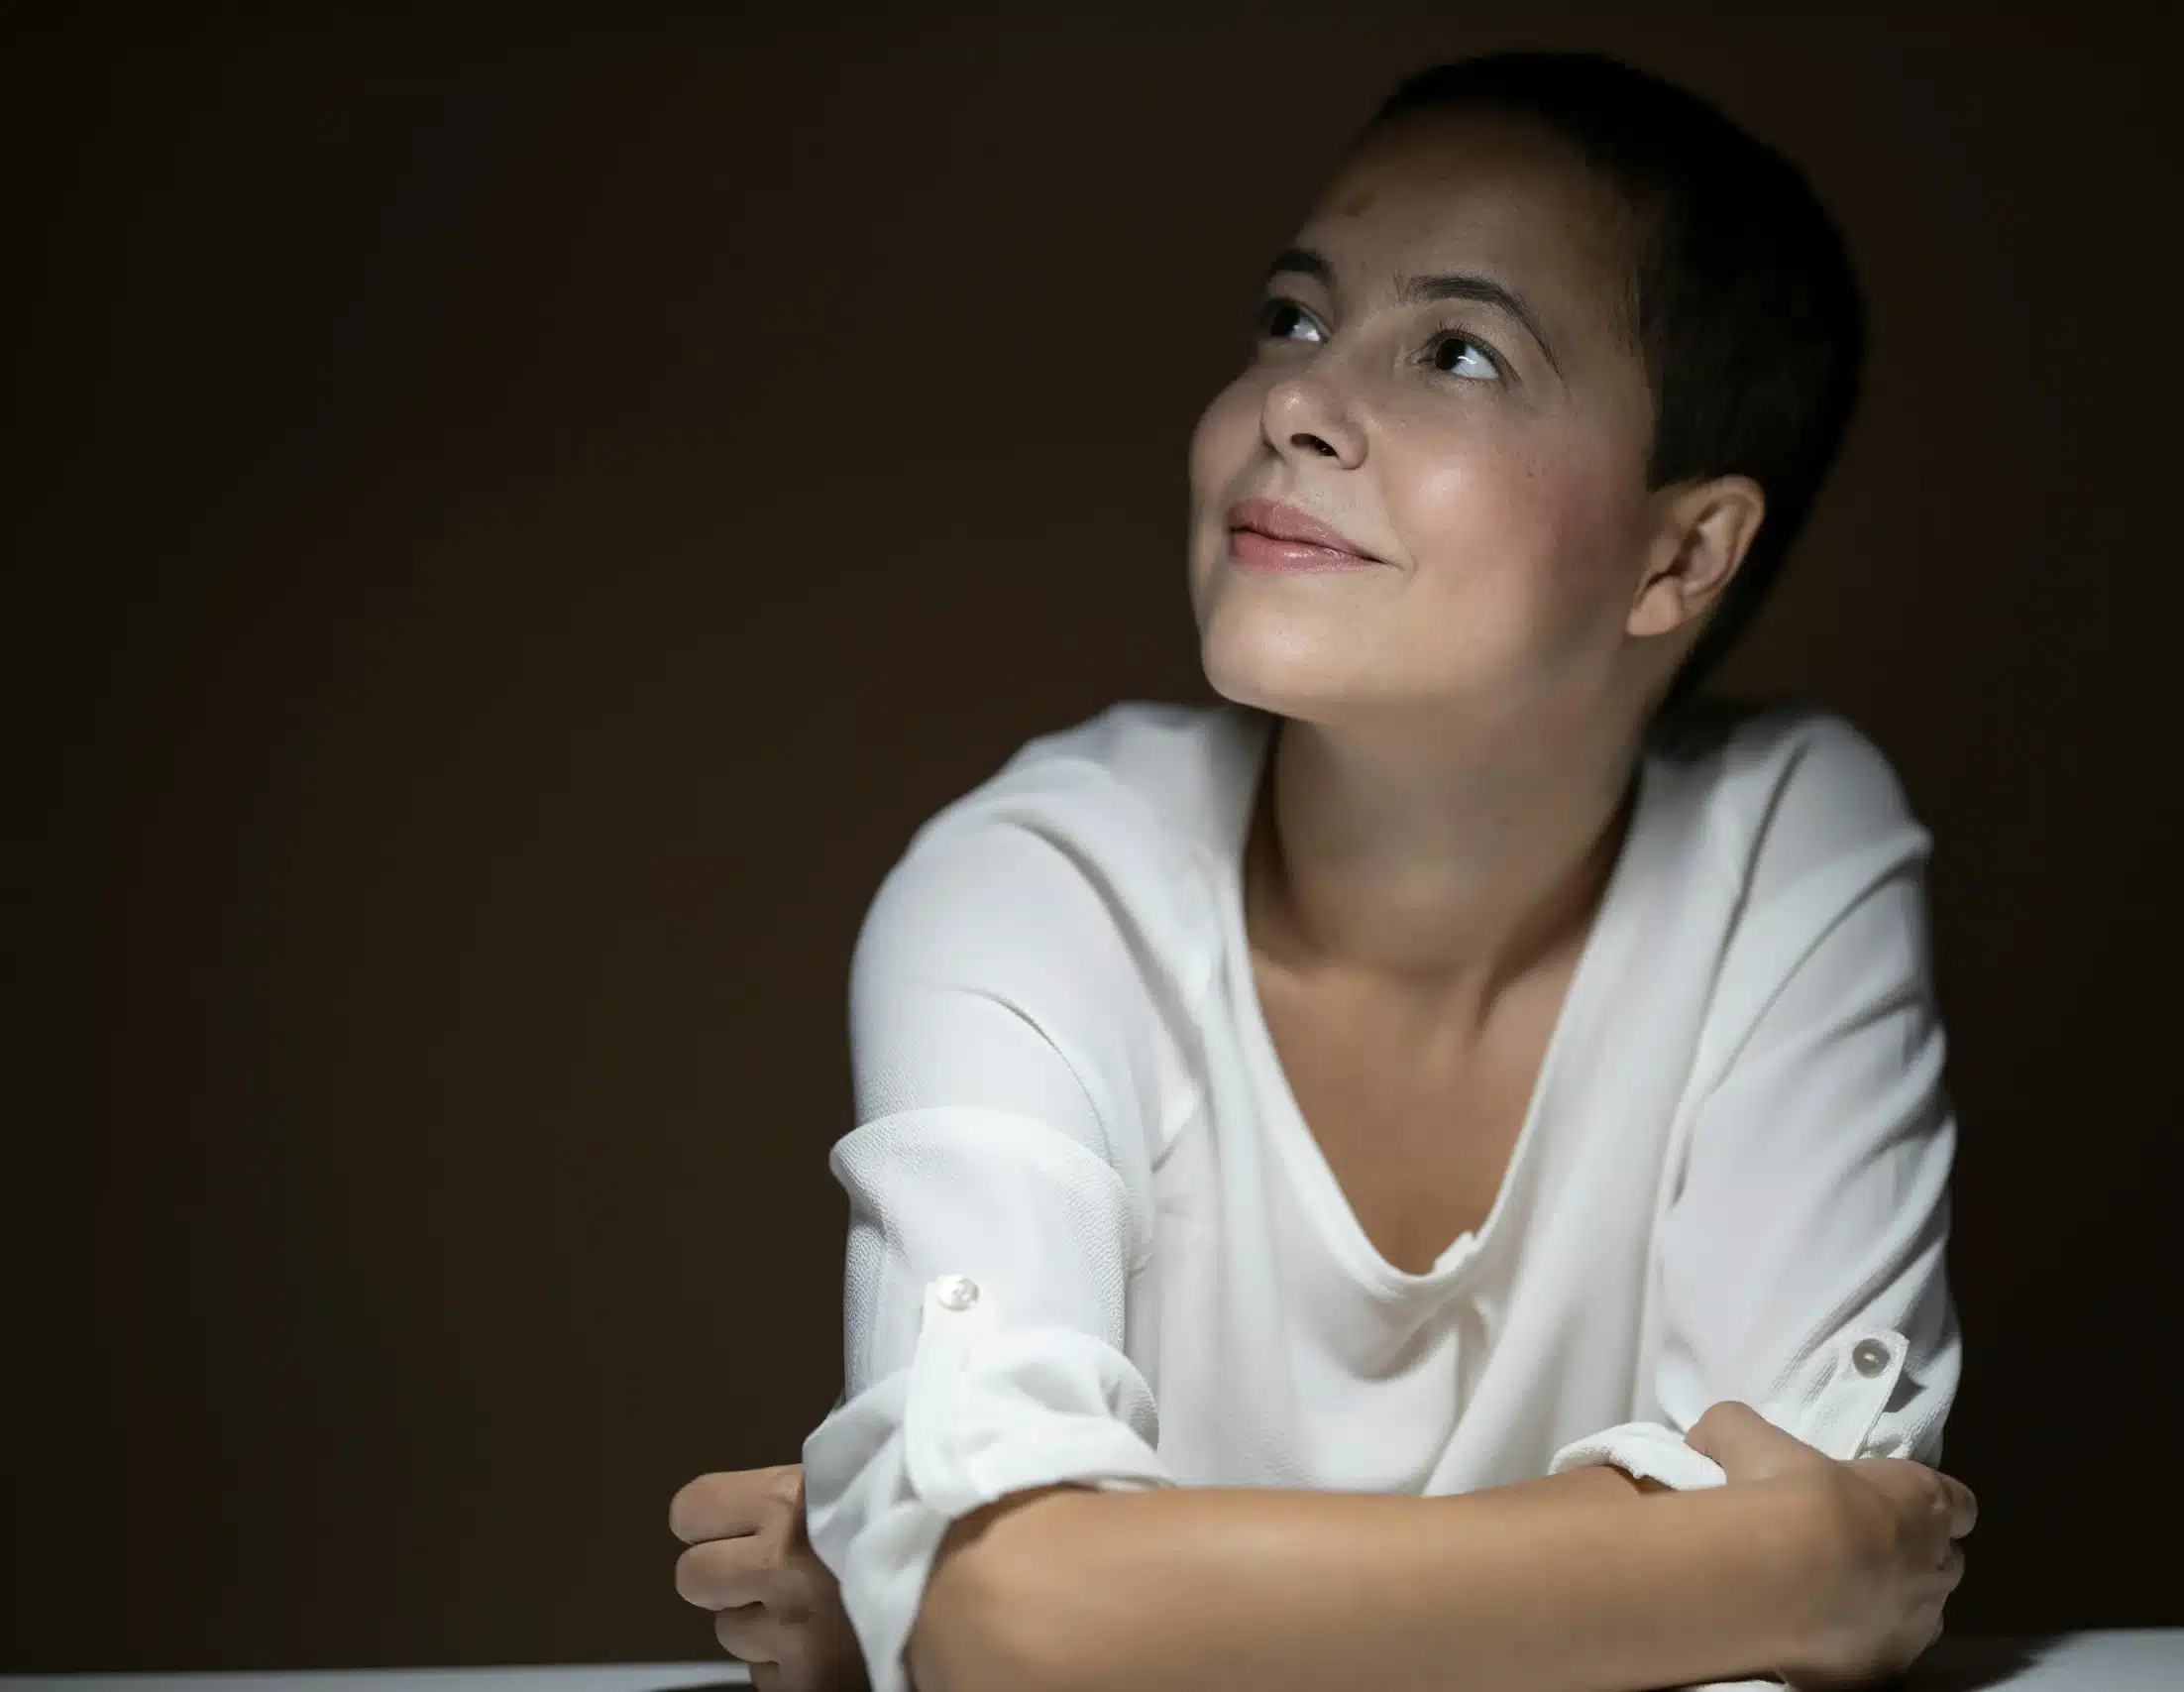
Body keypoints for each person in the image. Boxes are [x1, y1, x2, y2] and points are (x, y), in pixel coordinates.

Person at [670, 49, 1978, 1692]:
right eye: (1295, 318)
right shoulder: (1038, 880)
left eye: (1457, 352)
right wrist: (1779, 1563)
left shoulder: (1788, 844)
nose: (1294, 400)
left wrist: (995, 1586)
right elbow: (1009, 1615)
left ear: (1680, 555)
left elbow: (1013, 1616)